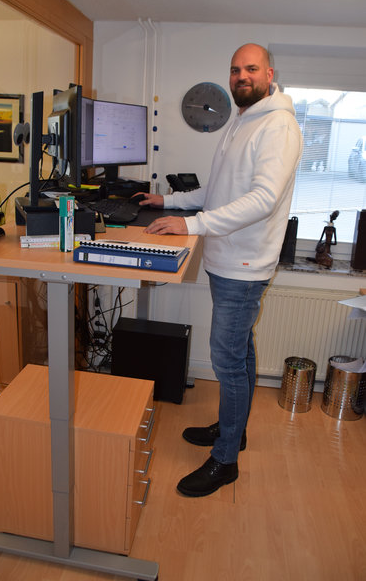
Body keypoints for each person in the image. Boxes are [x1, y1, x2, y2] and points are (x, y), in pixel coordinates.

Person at [140, 43, 303, 497]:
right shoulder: (244, 120)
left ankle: (225, 459)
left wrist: (191, 224)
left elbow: (262, 200)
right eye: (234, 69)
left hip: (243, 264)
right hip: (228, 258)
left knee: (227, 361)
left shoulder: (278, 126)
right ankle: (235, 430)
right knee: (240, 353)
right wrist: (168, 201)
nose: (241, 76)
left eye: (251, 68)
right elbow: (220, 190)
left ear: (269, 74)